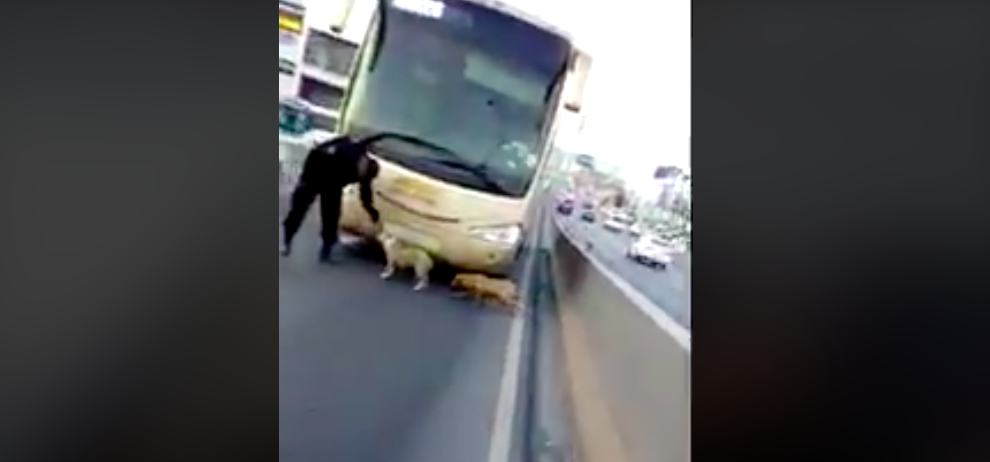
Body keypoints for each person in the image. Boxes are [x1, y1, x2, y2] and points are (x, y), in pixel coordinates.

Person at [280, 135, 382, 263]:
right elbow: (316, 153)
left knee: (331, 217)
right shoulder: (351, 149)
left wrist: (372, 211)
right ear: (363, 162)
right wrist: (305, 178)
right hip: (313, 175)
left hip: (333, 185)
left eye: (361, 176)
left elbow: (365, 195)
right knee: (298, 210)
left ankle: (326, 251)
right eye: (360, 171)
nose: (359, 175)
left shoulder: (364, 175)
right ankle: (287, 241)